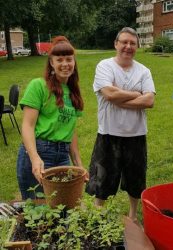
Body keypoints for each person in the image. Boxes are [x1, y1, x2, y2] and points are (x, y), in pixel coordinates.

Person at [86, 27, 155, 221]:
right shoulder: (105, 66)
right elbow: (109, 94)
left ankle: (133, 217)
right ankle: (98, 218)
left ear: (137, 46)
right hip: (109, 134)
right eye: (124, 42)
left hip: (136, 135)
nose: (128, 46)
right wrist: (136, 94)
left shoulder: (144, 71)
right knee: (102, 181)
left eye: (132, 43)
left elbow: (149, 101)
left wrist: (118, 98)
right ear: (116, 44)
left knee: (136, 181)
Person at [17, 36, 85, 199]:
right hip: (40, 151)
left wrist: (78, 165)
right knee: (37, 208)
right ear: (51, 63)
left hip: (62, 156)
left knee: (63, 206)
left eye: (69, 59)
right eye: (59, 59)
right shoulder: (38, 86)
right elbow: (27, 126)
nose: (65, 64)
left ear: (74, 62)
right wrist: (34, 158)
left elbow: (70, 130)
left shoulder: (74, 93)